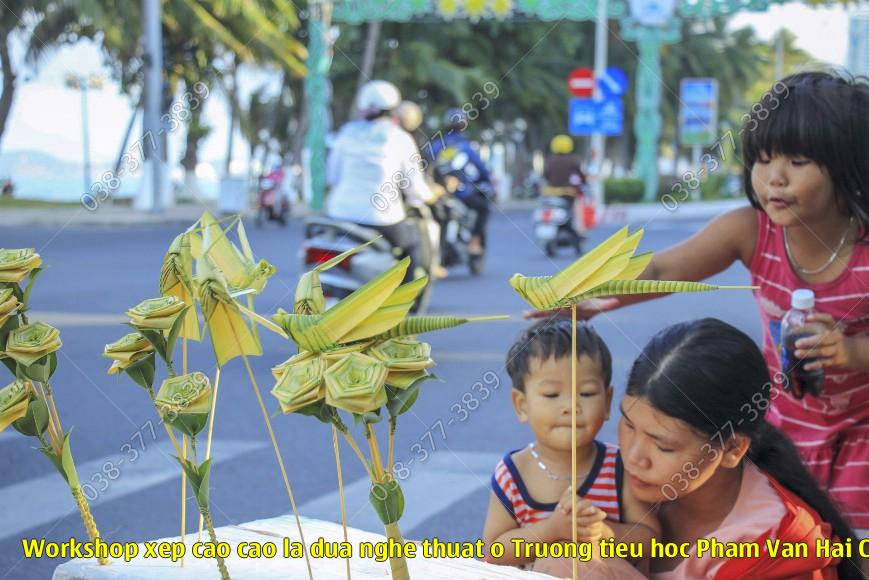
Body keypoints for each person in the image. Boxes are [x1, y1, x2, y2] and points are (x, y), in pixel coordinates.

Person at [531, 71, 869, 533]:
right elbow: (662, 270)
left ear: (848, 164)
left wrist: (851, 352)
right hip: (782, 427)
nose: (775, 178)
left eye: (799, 160)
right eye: (763, 159)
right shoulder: (751, 230)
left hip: (861, 434)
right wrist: (588, 294)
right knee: (790, 540)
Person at [536, 318, 859, 579]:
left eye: (662, 446)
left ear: (732, 449)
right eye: (629, 425)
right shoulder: (603, 481)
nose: (633, 457)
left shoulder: (779, 552)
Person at [482, 319, 660, 573]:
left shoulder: (618, 466)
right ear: (521, 405)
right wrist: (553, 529)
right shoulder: (513, 473)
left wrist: (605, 533)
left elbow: (651, 541)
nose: (571, 407)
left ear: (608, 402)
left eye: (586, 393)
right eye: (552, 395)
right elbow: (494, 551)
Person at [326, 80, 435, 282]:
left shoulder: (346, 134)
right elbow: (414, 186)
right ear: (394, 110)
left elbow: (332, 176)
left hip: (339, 215)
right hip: (381, 219)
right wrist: (430, 197)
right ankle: (407, 301)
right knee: (413, 243)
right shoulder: (400, 138)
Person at [428, 108, 492, 256]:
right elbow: (482, 170)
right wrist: (486, 181)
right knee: (484, 208)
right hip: (460, 193)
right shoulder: (466, 147)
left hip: (435, 193)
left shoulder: (436, 145)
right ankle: (475, 243)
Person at [543, 134, 588, 236]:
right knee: (578, 206)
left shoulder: (550, 159)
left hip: (551, 193)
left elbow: (545, 175)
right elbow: (581, 175)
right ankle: (580, 230)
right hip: (568, 193)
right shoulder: (573, 159)